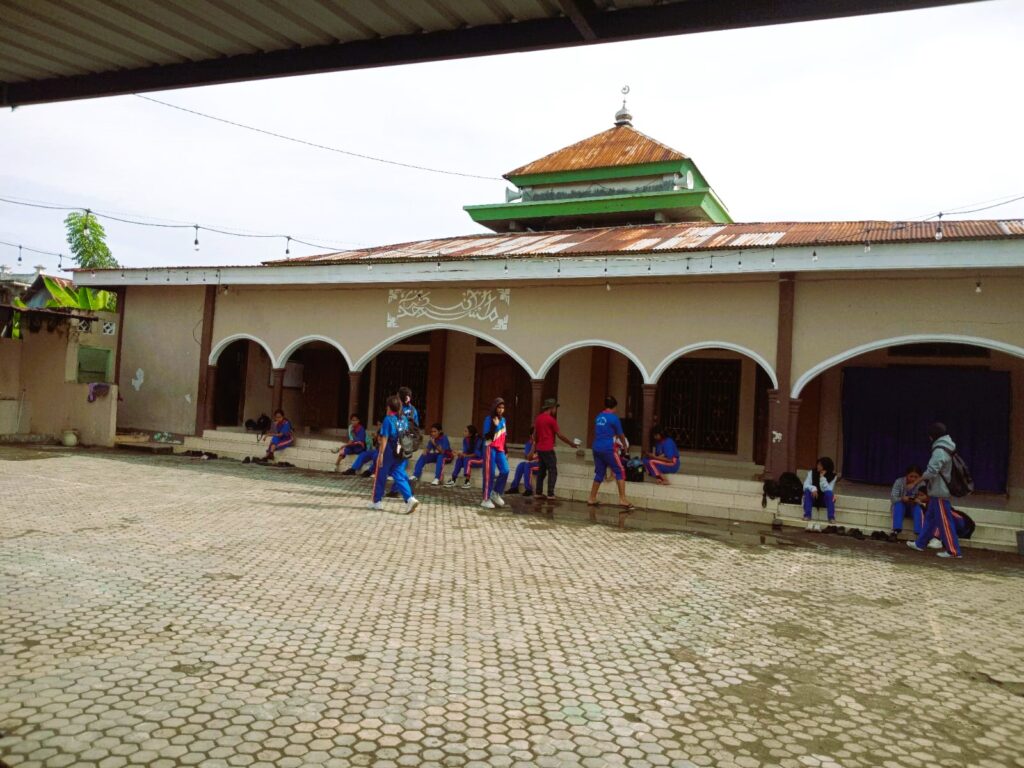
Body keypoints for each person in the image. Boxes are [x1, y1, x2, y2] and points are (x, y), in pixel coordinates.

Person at [907, 422, 963, 559]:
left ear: (933, 436)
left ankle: (953, 551)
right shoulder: (948, 446)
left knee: (945, 522)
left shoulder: (939, 450)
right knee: (930, 519)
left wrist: (915, 482)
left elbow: (931, 471)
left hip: (940, 491)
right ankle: (920, 543)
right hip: (937, 490)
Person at [368, 395, 420, 514]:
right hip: (401, 451)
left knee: (380, 475)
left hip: (389, 451)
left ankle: (377, 501)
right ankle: (410, 499)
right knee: (399, 475)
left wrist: (381, 454)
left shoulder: (388, 419)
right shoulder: (403, 419)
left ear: (389, 407)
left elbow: (385, 438)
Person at [586, 396, 634, 510]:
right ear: (615, 406)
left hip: (596, 447)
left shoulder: (598, 417)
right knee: (620, 471)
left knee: (599, 473)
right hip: (608, 448)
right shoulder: (614, 418)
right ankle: (622, 499)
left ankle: (592, 498)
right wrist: (625, 446)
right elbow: (621, 434)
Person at [532, 397, 578, 501]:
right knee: (552, 470)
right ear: (552, 408)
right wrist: (571, 444)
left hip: (540, 448)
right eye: (555, 408)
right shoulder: (551, 420)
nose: (556, 410)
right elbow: (560, 435)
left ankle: (538, 492)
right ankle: (550, 493)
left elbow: (534, 435)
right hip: (548, 449)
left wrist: (536, 445)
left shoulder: (538, 418)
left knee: (541, 471)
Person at [480, 398, 510, 510]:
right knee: (490, 474)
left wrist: (506, 451)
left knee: (505, 470)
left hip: (500, 449)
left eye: (503, 408)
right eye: (499, 407)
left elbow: (503, 436)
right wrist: (495, 425)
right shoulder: (489, 419)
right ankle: (485, 499)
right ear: (495, 408)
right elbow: (487, 436)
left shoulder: (504, 420)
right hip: (490, 448)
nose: (501, 410)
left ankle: (495, 492)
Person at [889, 464, 929, 542]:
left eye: (916, 477)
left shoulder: (922, 483)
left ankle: (919, 533)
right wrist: (902, 498)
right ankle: (895, 531)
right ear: (906, 475)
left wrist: (918, 500)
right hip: (902, 506)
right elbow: (893, 498)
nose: (913, 479)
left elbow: (926, 498)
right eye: (911, 476)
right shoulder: (899, 482)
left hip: (913, 507)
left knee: (918, 508)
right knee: (899, 505)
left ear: (919, 477)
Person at [802, 457, 838, 531]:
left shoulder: (833, 476)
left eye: (820, 465)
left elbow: (828, 489)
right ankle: (807, 515)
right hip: (813, 497)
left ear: (825, 467)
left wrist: (822, 478)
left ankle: (831, 517)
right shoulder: (812, 472)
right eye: (818, 464)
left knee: (829, 493)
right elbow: (805, 485)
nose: (818, 466)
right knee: (807, 491)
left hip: (824, 500)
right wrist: (813, 488)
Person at [506, 428, 539, 496]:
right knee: (521, 465)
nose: (536, 436)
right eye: (534, 434)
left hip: (541, 465)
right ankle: (514, 487)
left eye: (537, 434)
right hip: (532, 463)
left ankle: (529, 489)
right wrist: (533, 445)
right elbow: (529, 458)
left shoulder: (542, 444)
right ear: (531, 436)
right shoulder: (528, 444)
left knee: (527, 465)